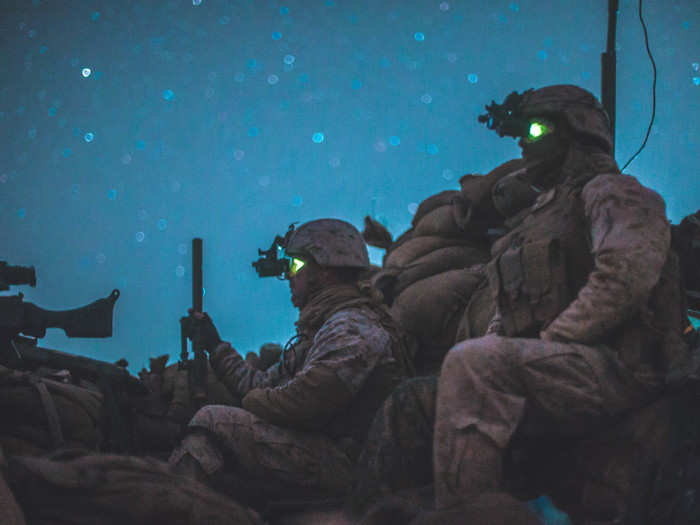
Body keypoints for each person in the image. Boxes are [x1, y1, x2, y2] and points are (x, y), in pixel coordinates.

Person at [433, 85, 690, 518]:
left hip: (625, 367)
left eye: (535, 130)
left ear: (575, 132)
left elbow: (624, 277)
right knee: (439, 385)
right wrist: (511, 345)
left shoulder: (612, 192)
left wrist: (553, 340)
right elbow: (507, 314)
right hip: (569, 363)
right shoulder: (536, 221)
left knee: (475, 366)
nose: (524, 143)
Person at [169, 218, 410, 507]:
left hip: (349, 463)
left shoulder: (352, 326)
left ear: (324, 271)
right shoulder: (320, 331)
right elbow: (259, 385)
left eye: (295, 265)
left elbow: (303, 402)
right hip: (324, 451)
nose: (288, 276)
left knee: (213, 419)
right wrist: (215, 345)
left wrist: (251, 403)